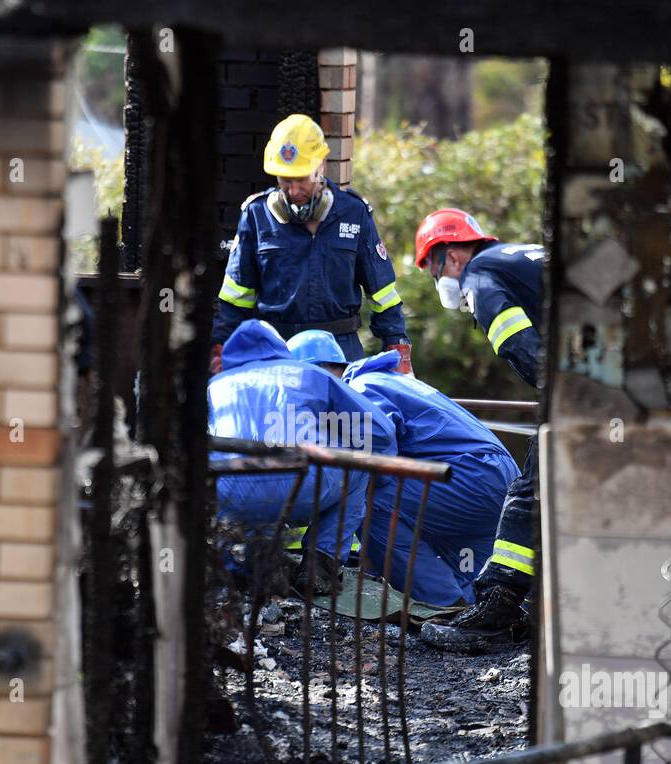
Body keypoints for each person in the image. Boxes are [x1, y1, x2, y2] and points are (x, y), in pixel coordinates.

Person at [288, 329, 519, 608]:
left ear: (318, 374)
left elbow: (376, 456)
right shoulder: (385, 379)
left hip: (468, 479)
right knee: (474, 581)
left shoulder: (360, 390)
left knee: (364, 492)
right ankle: (481, 610)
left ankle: (444, 604)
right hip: (496, 479)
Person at [409, 208, 545, 652]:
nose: (436, 280)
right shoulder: (518, 257)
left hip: (590, 384)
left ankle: (496, 611)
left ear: (450, 255)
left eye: (431, 268)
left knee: (529, 496)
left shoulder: (481, 274)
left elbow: (518, 342)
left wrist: (562, 392)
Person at [211, 113, 413, 376]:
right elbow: (235, 299)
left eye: (301, 179)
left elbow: (383, 295)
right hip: (276, 353)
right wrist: (219, 349)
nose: (294, 190)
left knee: (338, 419)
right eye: (285, 180)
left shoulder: (354, 213)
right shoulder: (256, 216)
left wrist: (398, 348)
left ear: (321, 166)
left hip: (340, 353)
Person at [209, 320, 395, 595]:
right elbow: (380, 430)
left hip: (231, 489)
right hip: (302, 482)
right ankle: (320, 565)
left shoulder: (215, 385)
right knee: (357, 462)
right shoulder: (308, 374)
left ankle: (256, 563)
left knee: (231, 484)